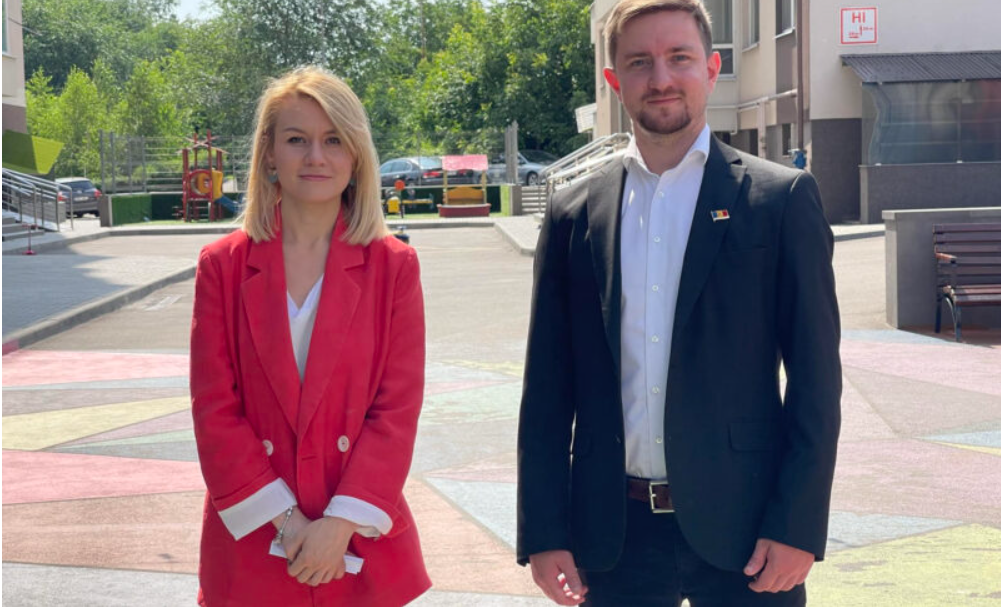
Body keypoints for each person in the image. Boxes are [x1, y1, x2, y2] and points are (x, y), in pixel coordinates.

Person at [516, 1, 842, 605]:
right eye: (640, 62)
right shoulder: (573, 213)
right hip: (611, 537)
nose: (661, 78)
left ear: (711, 69)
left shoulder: (780, 200)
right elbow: (546, 390)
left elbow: (816, 382)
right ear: (614, 80)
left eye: (679, 58)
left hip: (750, 532)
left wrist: (797, 525)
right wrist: (544, 531)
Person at [190, 65, 430, 606]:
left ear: (356, 155)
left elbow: (396, 410)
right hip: (254, 542)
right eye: (297, 139)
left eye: (334, 140)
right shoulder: (222, 266)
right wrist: (290, 524)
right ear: (269, 153)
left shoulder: (394, 266)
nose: (316, 156)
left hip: (357, 545)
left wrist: (337, 525)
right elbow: (214, 409)